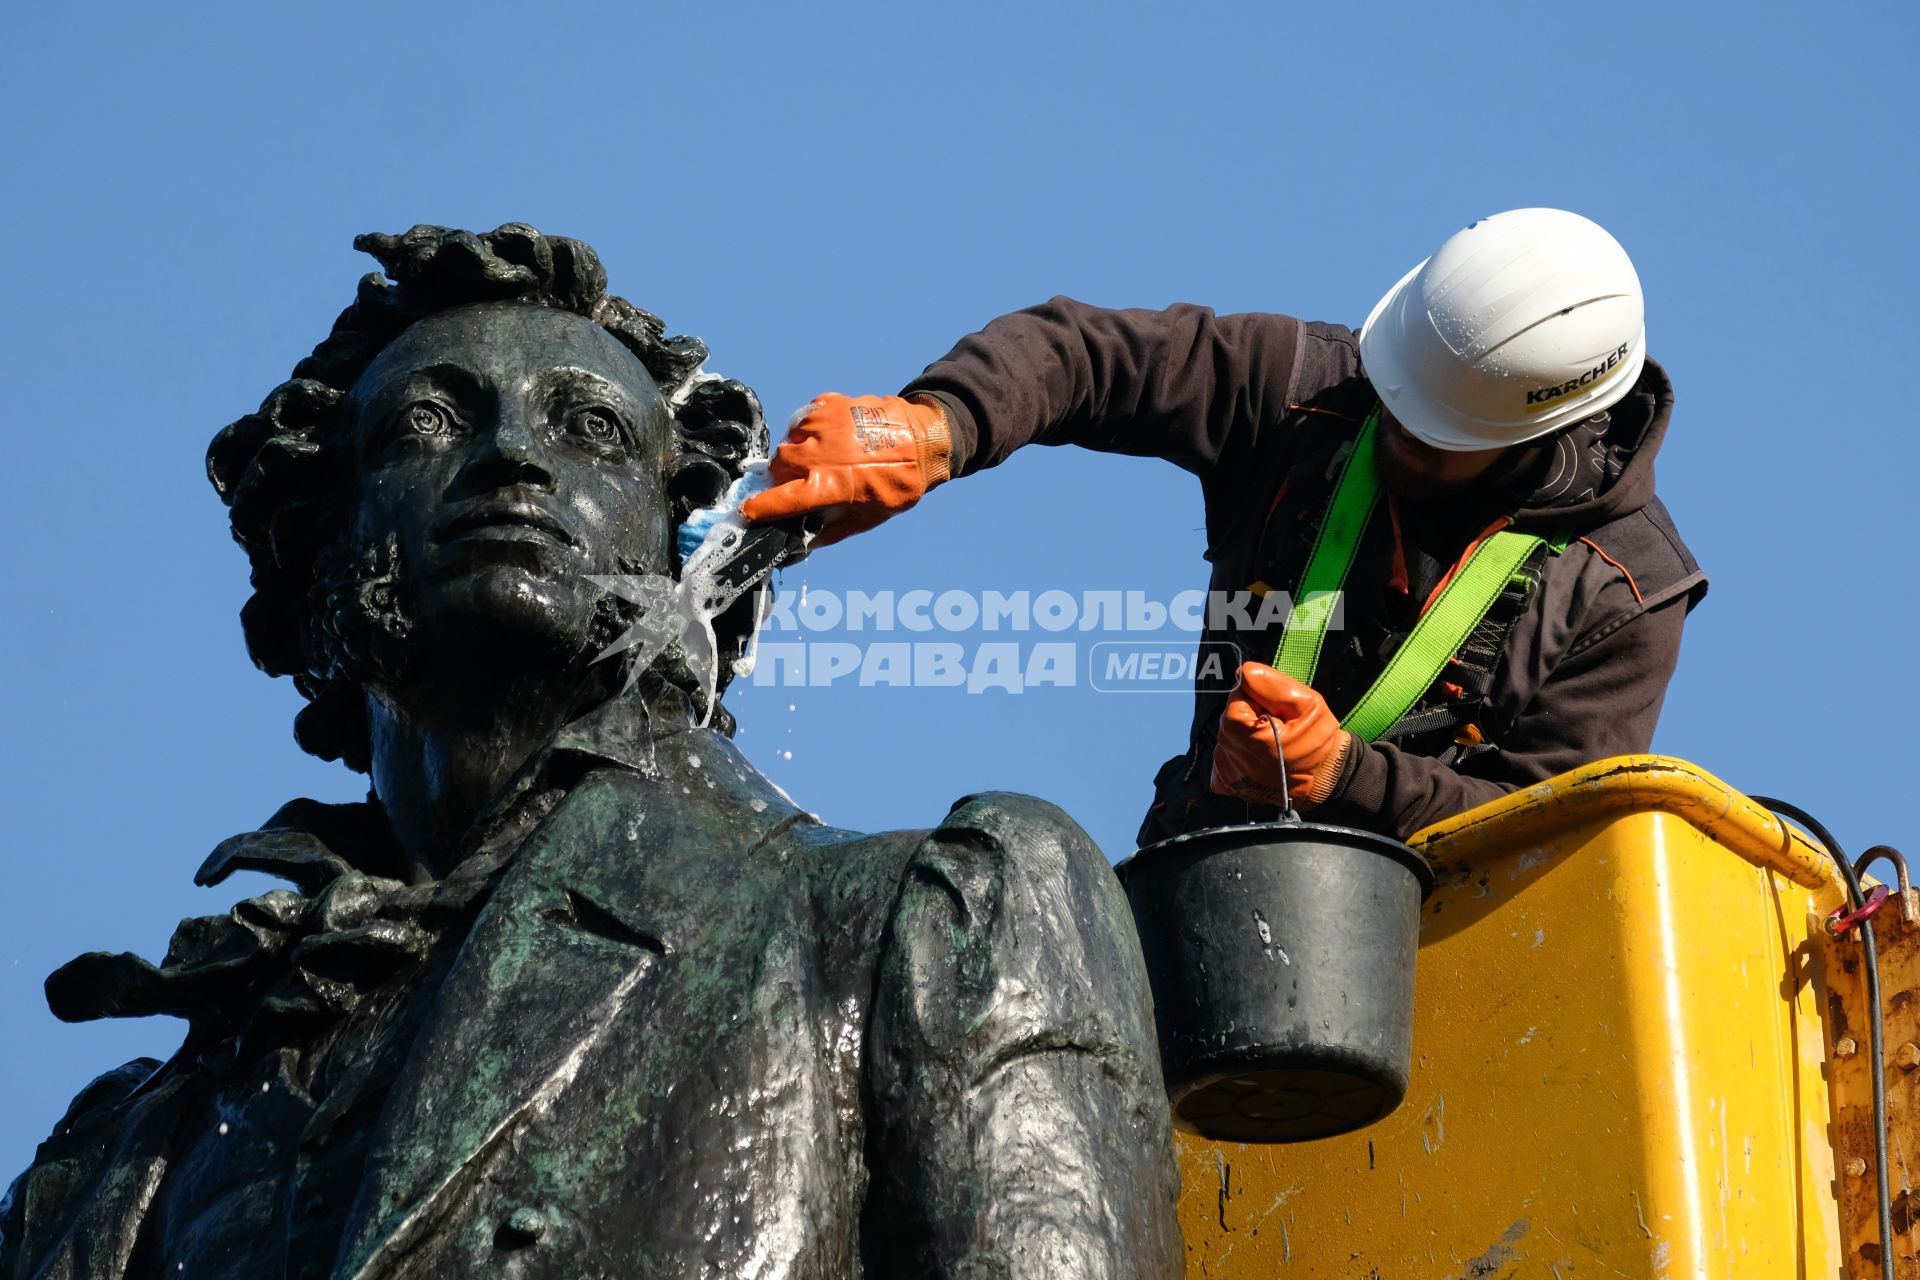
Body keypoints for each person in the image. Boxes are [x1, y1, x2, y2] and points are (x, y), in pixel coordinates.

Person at [0, 225, 1181, 1279]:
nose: (512, 455)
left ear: (685, 560)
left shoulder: (924, 919)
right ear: (324, 557)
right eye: (429, 420)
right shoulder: (126, 1151)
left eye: (592, 430)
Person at [744, 209, 1708, 843]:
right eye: (1397, 396)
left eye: (1438, 430)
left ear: (1548, 427)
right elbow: (1089, 358)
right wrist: (937, 426)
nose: (1400, 427)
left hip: (1428, 962)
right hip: (1196, 878)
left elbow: (1552, 828)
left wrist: (1344, 777)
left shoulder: (1626, 588)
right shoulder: (1312, 389)